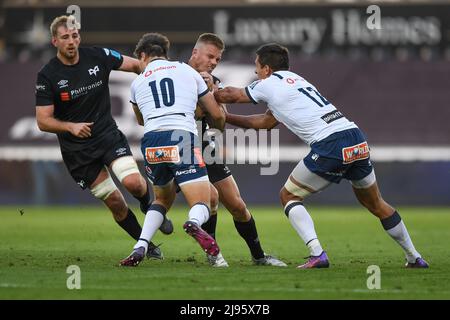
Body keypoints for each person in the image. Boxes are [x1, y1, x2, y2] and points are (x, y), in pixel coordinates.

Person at [214, 43, 429, 269]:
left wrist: (207, 95)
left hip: (331, 144)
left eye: (257, 67)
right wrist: (226, 119)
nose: (255, 72)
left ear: (267, 69)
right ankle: (414, 256)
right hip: (355, 138)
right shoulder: (297, 82)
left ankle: (317, 253)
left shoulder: (269, 84)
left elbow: (231, 95)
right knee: (376, 203)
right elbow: (265, 123)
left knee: (289, 196)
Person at [35, 15, 172, 260]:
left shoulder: (99, 56)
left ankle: (146, 205)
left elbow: (138, 66)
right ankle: (146, 244)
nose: (71, 41)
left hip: (107, 136)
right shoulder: (48, 76)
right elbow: (43, 120)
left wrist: (166, 74)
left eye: (75, 36)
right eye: (65, 37)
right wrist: (70, 127)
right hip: (78, 152)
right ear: (54, 40)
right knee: (116, 203)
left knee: (135, 184)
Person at [119, 33, 227, 267]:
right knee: (204, 201)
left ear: (143, 56)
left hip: (151, 141)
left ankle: (141, 245)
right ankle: (194, 223)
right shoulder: (187, 71)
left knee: (162, 198)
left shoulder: (137, 82)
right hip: (181, 136)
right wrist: (218, 127)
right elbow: (216, 115)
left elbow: (140, 120)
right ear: (165, 53)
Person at [188, 33, 286, 267]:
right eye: (210, 56)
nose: (213, 62)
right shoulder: (176, 75)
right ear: (195, 53)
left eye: (218, 59)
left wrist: (211, 94)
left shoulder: (214, 81)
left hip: (205, 147)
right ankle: (145, 246)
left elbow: (219, 124)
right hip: (178, 146)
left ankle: (259, 256)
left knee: (237, 205)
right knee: (166, 201)